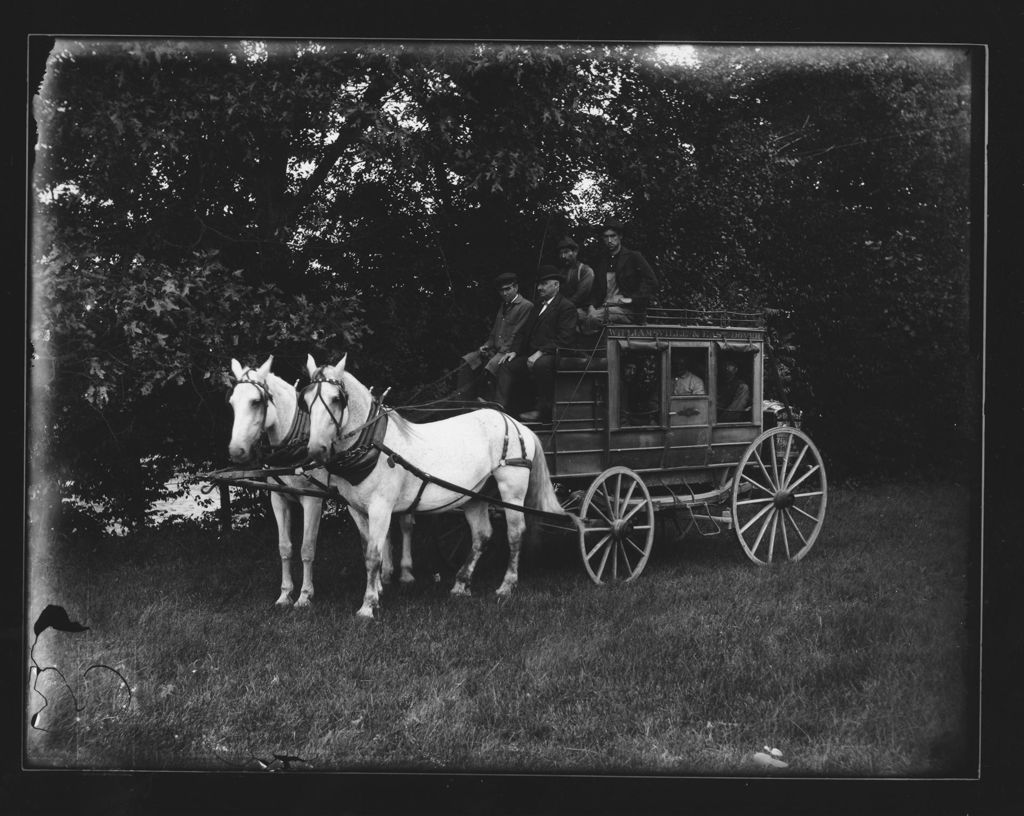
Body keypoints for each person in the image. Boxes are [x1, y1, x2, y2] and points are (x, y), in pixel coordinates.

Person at [494, 265, 578, 423]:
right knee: (506, 364)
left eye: (544, 284)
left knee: (540, 364)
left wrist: (540, 352)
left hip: (555, 355)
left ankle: (544, 411)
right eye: (539, 284)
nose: (539, 288)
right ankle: (500, 410)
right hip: (531, 355)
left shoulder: (566, 307)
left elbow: (565, 339)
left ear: (556, 285)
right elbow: (523, 332)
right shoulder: (538, 305)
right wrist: (514, 351)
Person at [456, 272, 533, 401]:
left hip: (510, 351)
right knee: (468, 360)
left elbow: (518, 334)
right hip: (495, 348)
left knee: (491, 366)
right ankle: (462, 401)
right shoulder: (503, 305)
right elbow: (494, 333)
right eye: (501, 290)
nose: (504, 293)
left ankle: (488, 404)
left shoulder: (526, 306)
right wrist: (486, 346)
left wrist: (501, 352)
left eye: (508, 289)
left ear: (516, 287)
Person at [578, 218, 659, 334]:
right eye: (606, 237)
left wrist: (631, 299)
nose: (609, 240)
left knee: (594, 318)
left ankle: (586, 348)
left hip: (628, 310)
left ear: (620, 236)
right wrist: (591, 306)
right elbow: (596, 290)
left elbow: (652, 282)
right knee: (574, 314)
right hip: (603, 307)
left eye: (613, 236)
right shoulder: (602, 261)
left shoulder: (633, 257)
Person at [555, 235, 594, 314]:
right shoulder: (560, 272)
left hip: (581, 310)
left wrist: (561, 308)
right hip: (563, 308)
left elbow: (580, 296)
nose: (563, 256)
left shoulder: (585, 270)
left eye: (566, 252)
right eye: (561, 253)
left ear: (575, 252)